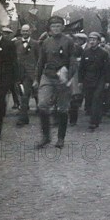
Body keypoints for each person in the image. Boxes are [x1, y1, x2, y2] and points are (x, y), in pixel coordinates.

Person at [34, 16, 76, 149]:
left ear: (63, 27)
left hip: (62, 77)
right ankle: (45, 137)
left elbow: (73, 62)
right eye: (53, 26)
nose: (56, 28)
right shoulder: (46, 42)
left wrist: (68, 77)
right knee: (42, 104)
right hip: (48, 75)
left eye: (58, 26)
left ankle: (60, 138)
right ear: (50, 28)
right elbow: (41, 62)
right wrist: (37, 78)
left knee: (63, 109)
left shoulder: (69, 41)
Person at [79, 32, 110, 131]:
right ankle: (96, 118)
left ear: (98, 41)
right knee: (90, 99)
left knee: (97, 99)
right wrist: (80, 81)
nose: (92, 42)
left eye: (94, 40)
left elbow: (107, 68)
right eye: (90, 40)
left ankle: (93, 122)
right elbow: (82, 68)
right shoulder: (85, 52)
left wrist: (107, 81)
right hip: (88, 79)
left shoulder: (104, 53)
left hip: (100, 79)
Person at [14, 24, 39, 126]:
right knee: (21, 95)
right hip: (19, 73)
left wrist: (36, 74)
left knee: (25, 96)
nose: (25, 33)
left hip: (30, 74)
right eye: (23, 31)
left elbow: (39, 59)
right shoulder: (16, 43)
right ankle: (24, 117)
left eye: (26, 31)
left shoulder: (35, 44)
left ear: (30, 32)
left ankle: (23, 118)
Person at [68, 33, 87, 126]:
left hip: (74, 75)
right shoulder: (61, 47)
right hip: (64, 74)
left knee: (73, 99)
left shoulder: (78, 48)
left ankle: (73, 119)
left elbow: (82, 62)